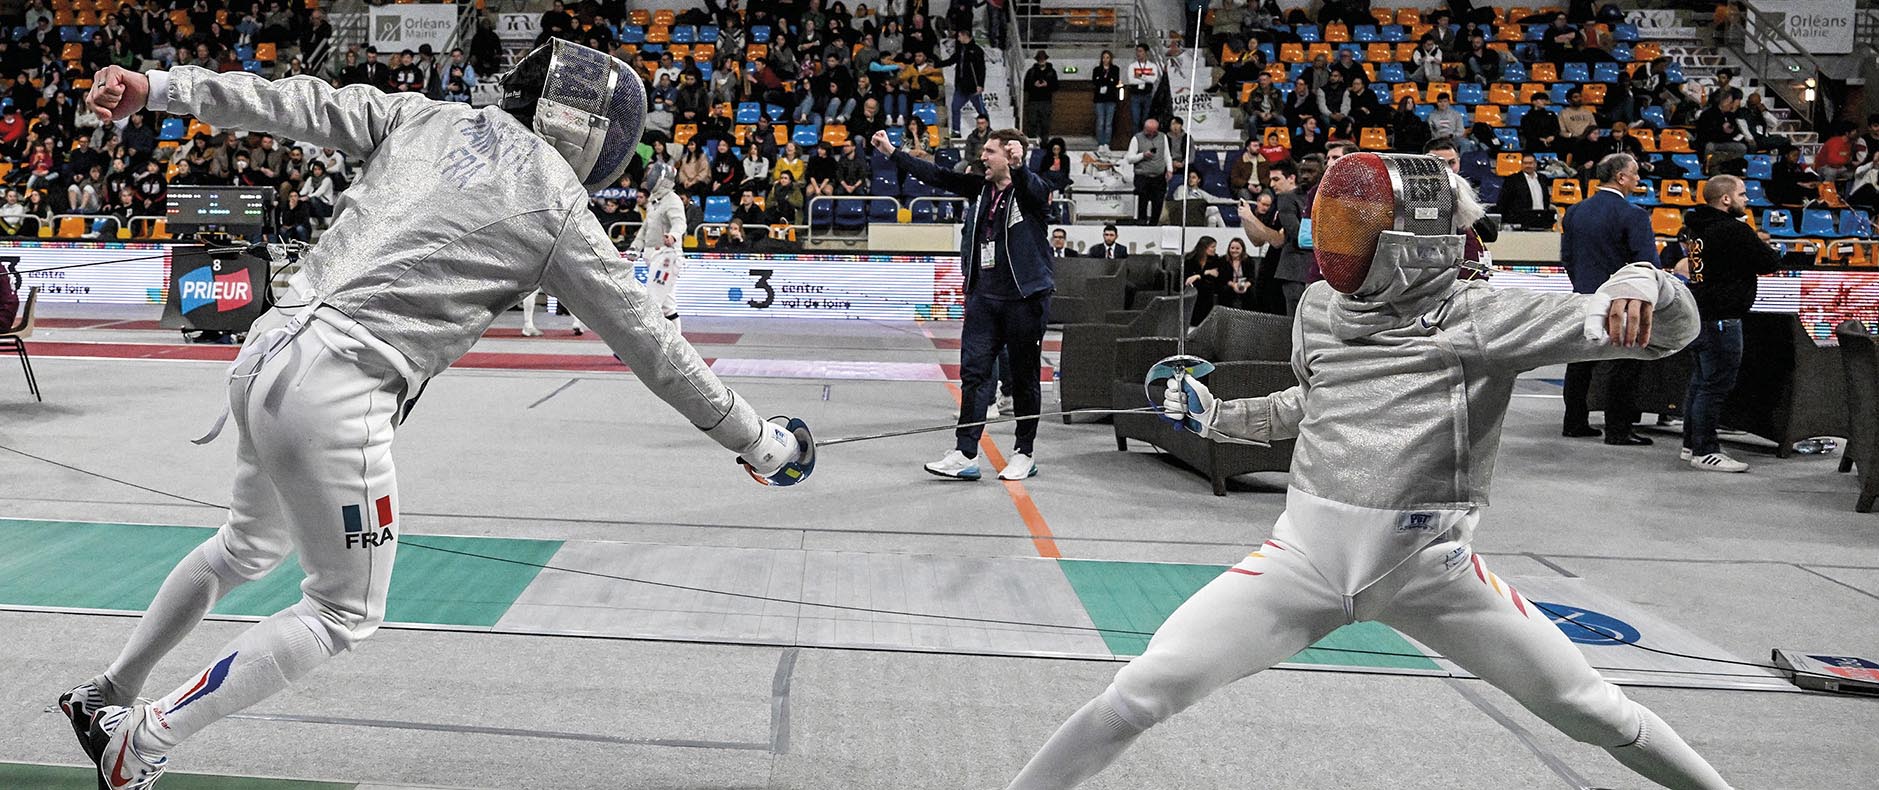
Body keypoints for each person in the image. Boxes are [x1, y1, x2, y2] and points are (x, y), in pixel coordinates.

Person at [62, 40, 817, 790]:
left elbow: (295, 100)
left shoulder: (428, 116)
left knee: (244, 547)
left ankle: (107, 692)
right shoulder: (558, 206)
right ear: (587, 130)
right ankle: (142, 738)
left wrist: (157, 87)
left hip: (267, 348)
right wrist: (760, 442)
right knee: (340, 611)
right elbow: (653, 343)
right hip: (338, 388)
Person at [1004, 152, 1728, 790]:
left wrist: (1643, 279)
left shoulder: (1483, 317)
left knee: (1591, 710)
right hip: (1301, 560)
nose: (1334, 243)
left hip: (1430, 570)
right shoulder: (1321, 307)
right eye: (1336, 222)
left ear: (1412, 238)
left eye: (1357, 225)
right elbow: (1311, 402)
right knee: (1142, 689)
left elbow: (1671, 329)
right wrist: (1218, 415)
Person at [873, 127, 1053, 482]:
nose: (982, 157)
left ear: (1010, 155)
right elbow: (936, 175)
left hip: (1024, 299)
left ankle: (1024, 453)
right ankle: (965, 453)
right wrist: (893, 153)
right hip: (984, 298)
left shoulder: (1032, 191)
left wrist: (1021, 167)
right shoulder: (981, 188)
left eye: (990, 152)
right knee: (973, 376)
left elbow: (1032, 187)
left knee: (1024, 377)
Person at [1676, 175, 1783, 473]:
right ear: (1726, 199)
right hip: (1722, 317)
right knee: (1714, 386)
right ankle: (1705, 450)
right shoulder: (1733, 230)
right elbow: (1770, 263)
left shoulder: (1695, 227)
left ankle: (1691, 444)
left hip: (1700, 313)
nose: (1746, 200)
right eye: (1742, 194)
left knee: (1701, 382)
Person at [1560, 153, 1660, 444]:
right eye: (1635, 173)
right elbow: (1647, 264)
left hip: (1584, 295)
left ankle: (1574, 422)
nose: (1638, 178)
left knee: (1580, 362)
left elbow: (1568, 257)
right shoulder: (1634, 215)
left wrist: (1583, 285)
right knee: (1624, 362)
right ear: (1621, 177)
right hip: (1622, 299)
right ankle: (1618, 429)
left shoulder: (1575, 211)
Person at [938, 28, 987, 132]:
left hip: (973, 86)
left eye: (960, 36)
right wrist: (937, 64)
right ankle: (956, 131)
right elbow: (952, 60)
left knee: (981, 111)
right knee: (955, 107)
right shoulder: (961, 49)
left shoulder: (977, 50)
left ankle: (987, 130)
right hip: (961, 85)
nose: (958, 39)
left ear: (965, 36)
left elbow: (981, 69)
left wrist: (980, 85)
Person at [1124, 118, 1171, 226]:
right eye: (1148, 130)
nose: (1150, 133)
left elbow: (1167, 155)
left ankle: (1154, 224)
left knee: (1158, 202)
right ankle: (1142, 223)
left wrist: (1169, 169)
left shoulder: (1163, 137)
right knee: (1142, 202)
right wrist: (1143, 155)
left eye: (1153, 131)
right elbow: (1130, 159)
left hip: (1159, 177)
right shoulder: (1136, 138)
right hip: (1142, 177)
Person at [1496, 153, 1554, 230]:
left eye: (1530, 163)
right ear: (1522, 164)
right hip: (1520, 222)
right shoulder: (1512, 180)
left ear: (1535, 164)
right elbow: (1503, 201)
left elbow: (1546, 199)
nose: (1528, 166)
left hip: (1540, 220)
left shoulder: (1543, 178)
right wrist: (1504, 221)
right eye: (1525, 163)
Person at [1022, 50, 1058, 140]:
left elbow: (1056, 86)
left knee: (1045, 124)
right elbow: (1026, 86)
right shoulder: (1031, 72)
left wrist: (1047, 84)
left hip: (1046, 101)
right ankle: (1032, 140)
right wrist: (1034, 85)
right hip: (1033, 101)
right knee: (1032, 122)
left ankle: (1044, 142)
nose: (1041, 61)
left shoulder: (1052, 72)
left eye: (1043, 59)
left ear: (1046, 59)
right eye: (1040, 59)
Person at [1091, 49, 1120, 151]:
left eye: (1107, 57)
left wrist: (1105, 81)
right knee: (1100, 122)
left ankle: (1107, 143)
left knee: (1108, 123)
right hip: (1099, 99)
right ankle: (1100, 143)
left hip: (1110, 99)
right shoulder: (1097, 69)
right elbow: (1095, 81)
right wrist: (1106, 80)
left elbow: (1115, 81)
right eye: (1103, 57)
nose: (1105, 59)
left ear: (1110, 59)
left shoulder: (1115, 69)